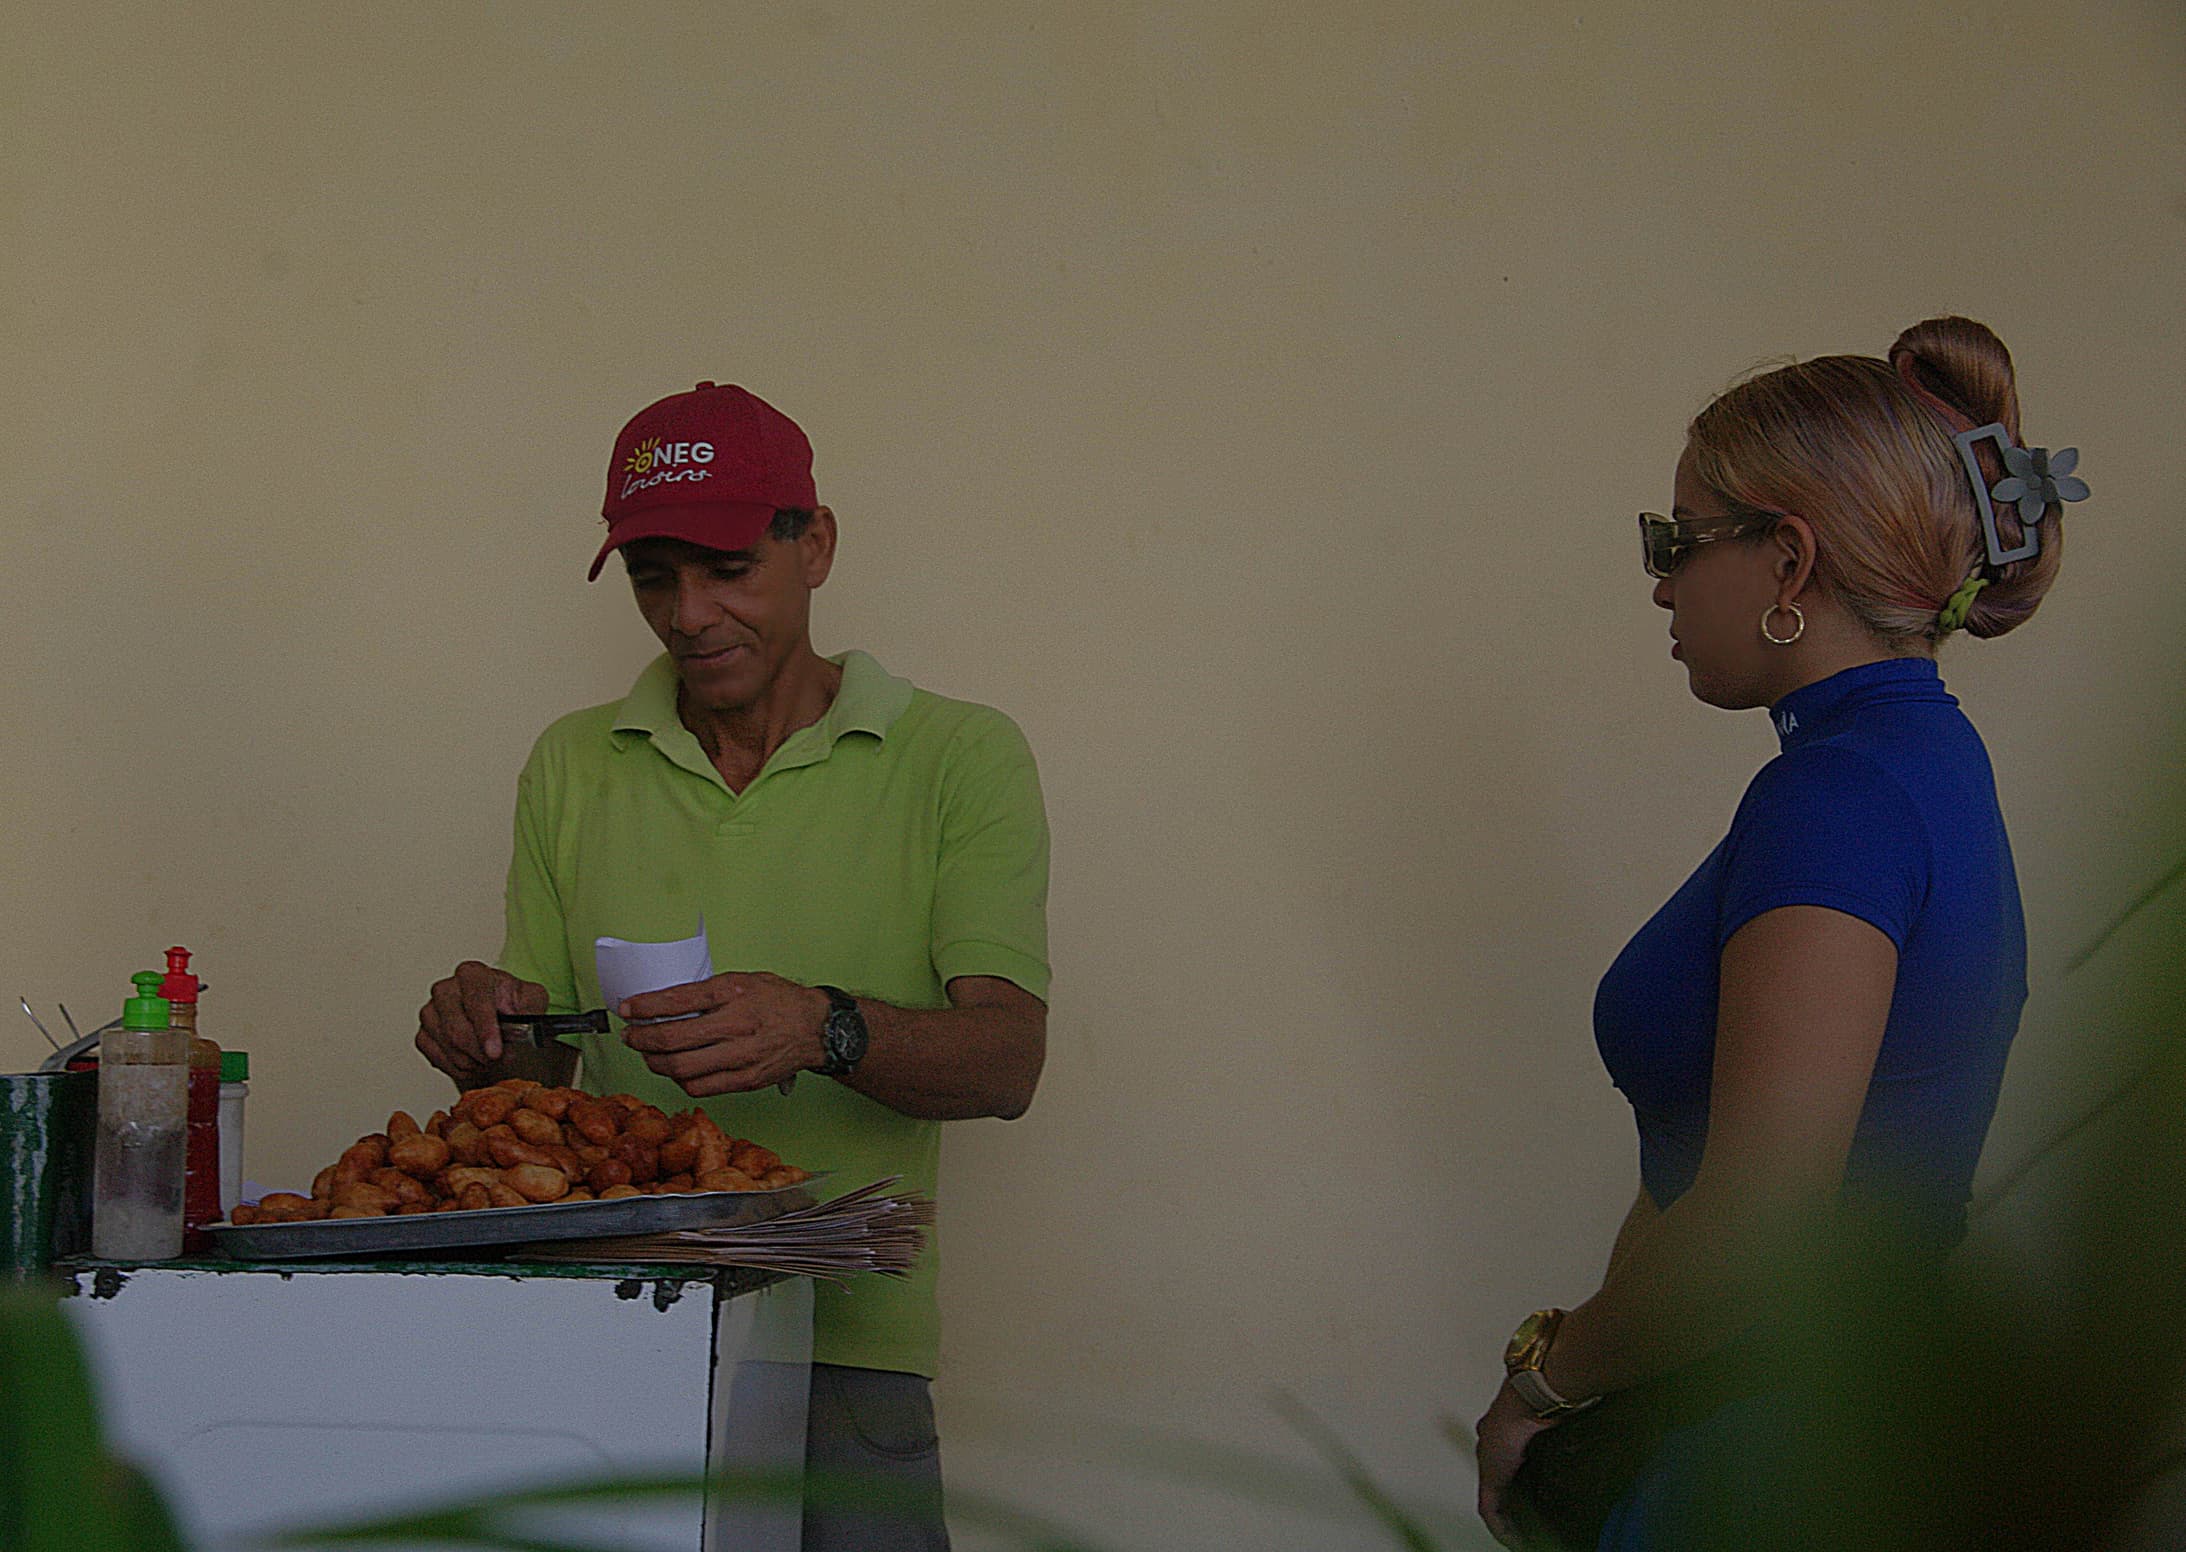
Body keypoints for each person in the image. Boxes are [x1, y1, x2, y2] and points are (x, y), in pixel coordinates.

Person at [1472, 317, 2085, 1549]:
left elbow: (1757, 1217)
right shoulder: (1918, 759)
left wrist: (1540, 1382)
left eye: (1678, 539)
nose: (1657, 579)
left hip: (1769, 1456)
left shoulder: (1838, 796)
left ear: (1787, 562)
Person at [414, 381, 1051, 1552]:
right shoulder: (573, 762)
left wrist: (823, 1026)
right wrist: (489, 1034)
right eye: (655, 577)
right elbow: (543, 1079)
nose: (688, 613)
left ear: (814, 546)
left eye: (723, 569)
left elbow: (1008, 1059)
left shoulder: (957, 756)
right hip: (606, 1328)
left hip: (845, 1349)